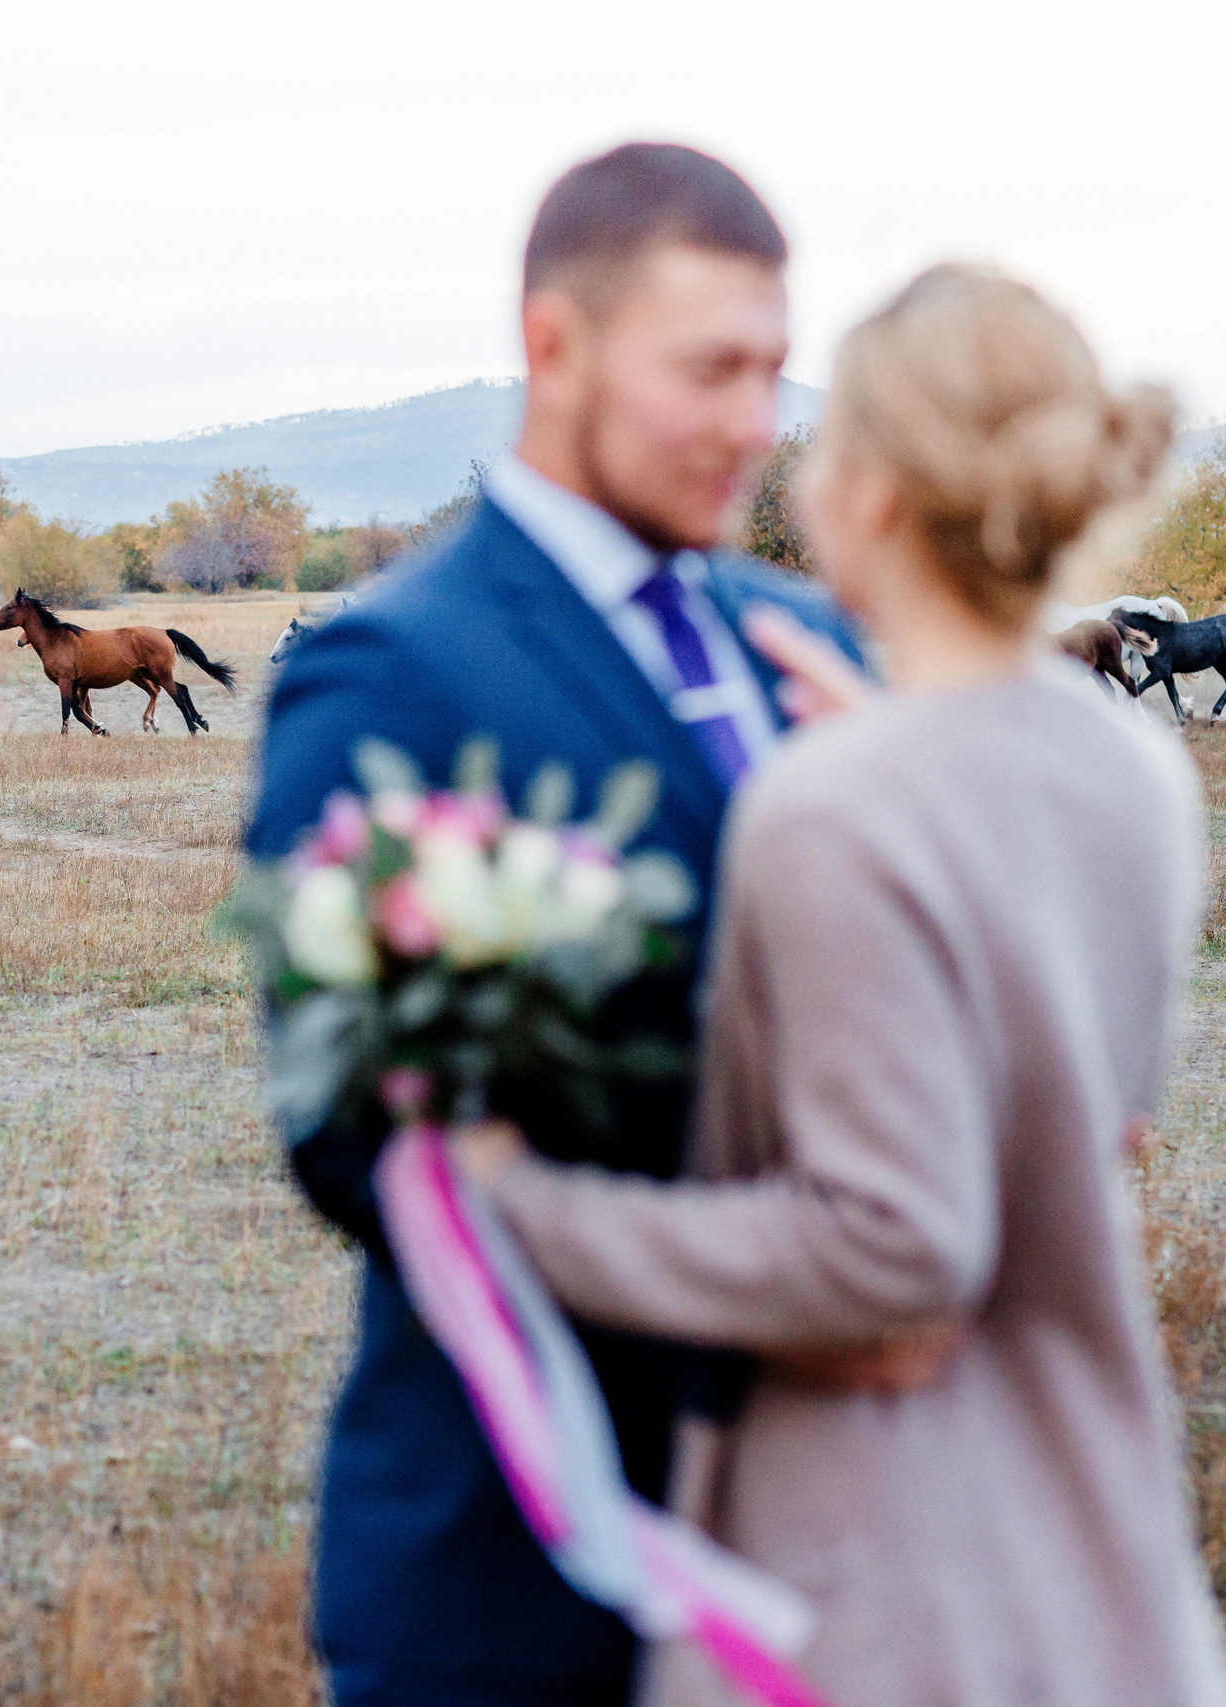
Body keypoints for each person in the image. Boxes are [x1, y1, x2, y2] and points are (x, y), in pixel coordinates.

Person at [454, 265, 1226, 1707]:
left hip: (876, 1590)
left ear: (867, 492)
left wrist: (527, 1208)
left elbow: (890, 1247)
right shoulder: (1130, 767)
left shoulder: (834, 807)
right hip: (1100, 1556)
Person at [246, 143, 863, 1706]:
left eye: (775, 375)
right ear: (555, 346)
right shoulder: (394, 671)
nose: (753, 427)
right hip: (520, 1567)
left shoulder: (808, 642)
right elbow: (352, 1136)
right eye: (708, 371)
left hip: (845, 1538)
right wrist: (801, 1259)